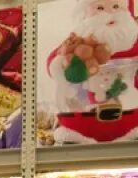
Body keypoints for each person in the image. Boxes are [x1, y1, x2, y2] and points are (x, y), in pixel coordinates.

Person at [48, 0, 138, 144]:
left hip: (128, 113)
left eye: (116, 7)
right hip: (85, 110)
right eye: (100, 8)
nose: (109, 13)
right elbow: (54, 64)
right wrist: (62, 63)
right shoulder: (78, 41)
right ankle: (78, 135)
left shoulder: (133, 43)